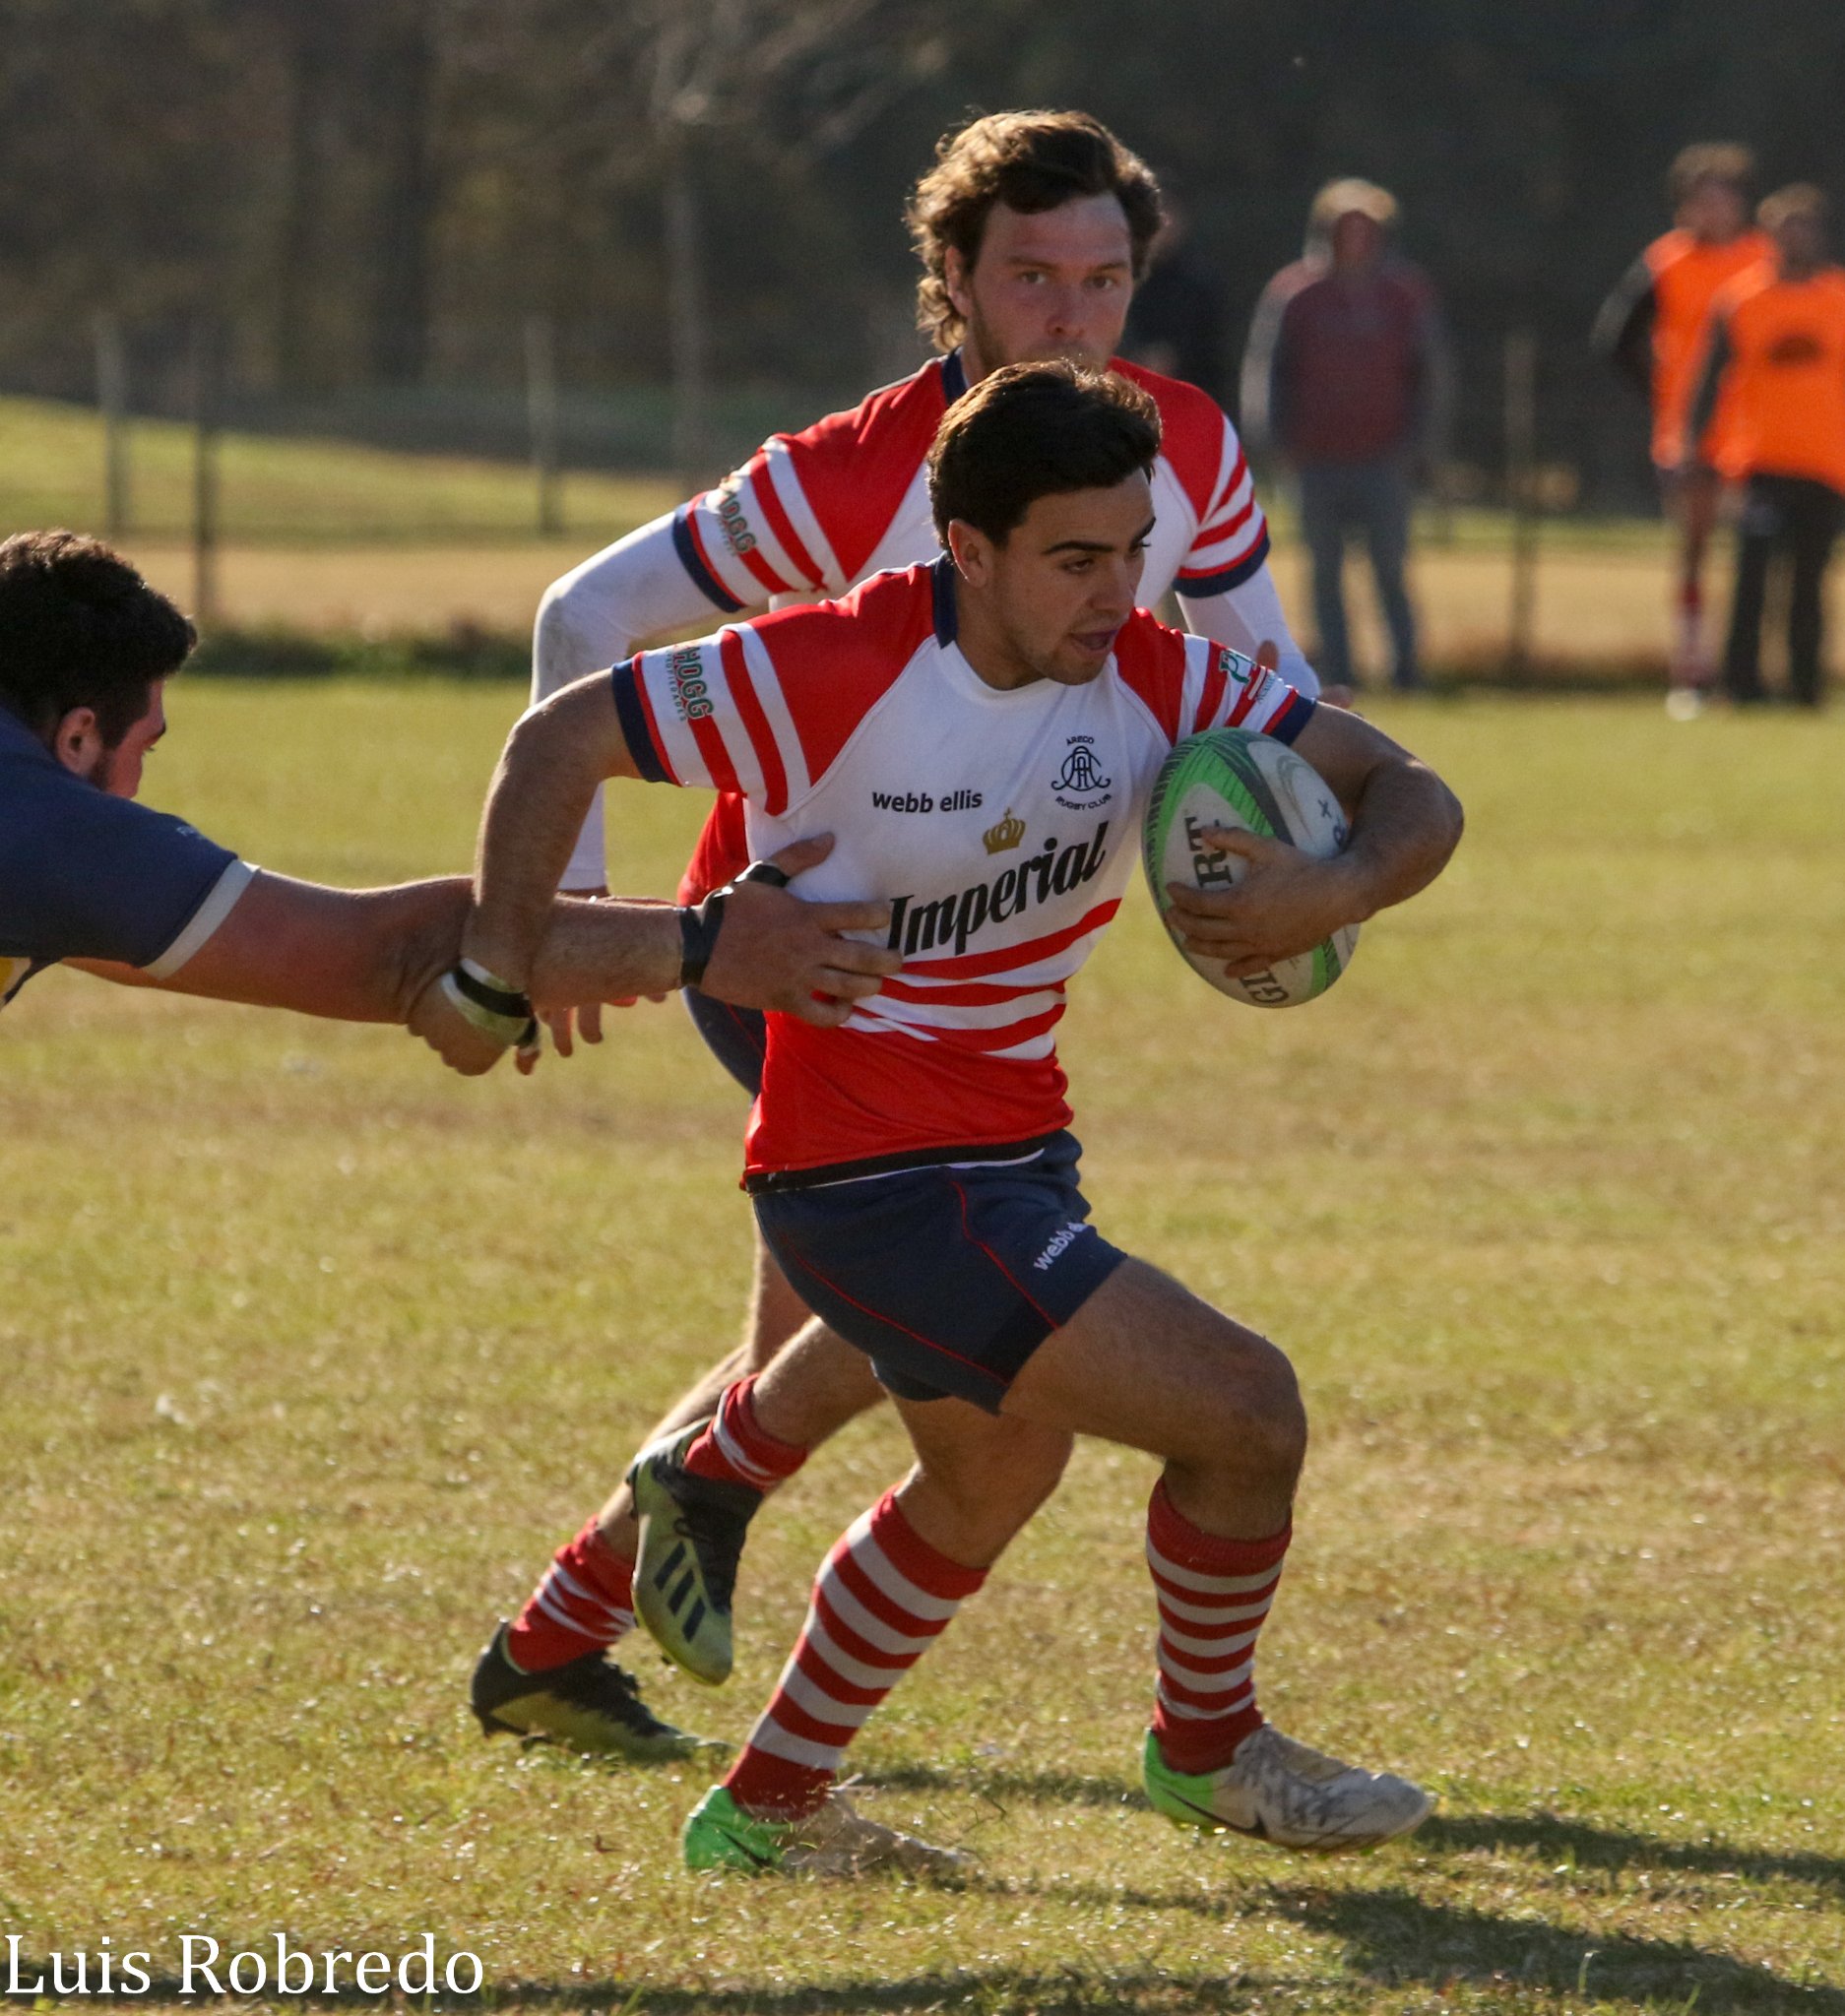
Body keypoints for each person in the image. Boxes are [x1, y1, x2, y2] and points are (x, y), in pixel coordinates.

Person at [427, 362, 1464, 1873]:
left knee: (988, 1481)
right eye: (1072, 559)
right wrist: (496, 968)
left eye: (1131, 552)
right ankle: (1210, 1752)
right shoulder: (826, 665)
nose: (1114, 595)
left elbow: (1406, 786)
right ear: (965, 549)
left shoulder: (1155, 672)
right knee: (1246, 1414)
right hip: (876, 1184)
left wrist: (1341, 882)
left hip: (1011, 1155)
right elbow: (554, 739)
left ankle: (768, 1813)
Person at [474, 108, 1325, 1761]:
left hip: (994, 956)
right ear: (950, 276)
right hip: (807, 962)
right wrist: (584, 910)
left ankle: (559, 1630)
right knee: (924, 1319)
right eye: (1029, 277)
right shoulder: (851, 472)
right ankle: (668, 1604)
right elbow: (580, 623)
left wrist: (1296, 853)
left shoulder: (1184, 444)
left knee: (838, 1337)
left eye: (1103, 278)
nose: (1072, 315)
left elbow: (1272, 687)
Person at [0, 527, 900, 1088]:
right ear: (79, 736)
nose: (138, 785)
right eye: (141, 746)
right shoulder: (51, 836)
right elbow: (384, 955)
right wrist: (705, 943)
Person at [1241, 178, 1450, 696]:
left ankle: (1407, 673)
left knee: (1390, 569)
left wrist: (1421, 448)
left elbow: (1433, 373)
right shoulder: (1295, 292)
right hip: (1315, 460)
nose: (1355, 239)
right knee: (1324, 575)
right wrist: (1270, 440)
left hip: (1385, 460)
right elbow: (1265, 369)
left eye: (1366, 229)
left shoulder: (1405, 294)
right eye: (1345, 228)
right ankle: (1337, 674)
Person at [1593, 144, 1772, 707]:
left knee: (1758, 554)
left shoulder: (1765, 257)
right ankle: (1691, 673)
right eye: (1703, 199)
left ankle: (1750, 673)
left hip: (1759, 432)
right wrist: (1667, 394)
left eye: (1725, 198)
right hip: (1690, 436)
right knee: (1694, 552)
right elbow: (1617, 341)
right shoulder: (1666, 260)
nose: (1714, 210)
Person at [1683, 185, 1845, 708]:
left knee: (1808, 583)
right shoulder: (1741, 299)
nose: (1796, 237)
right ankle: (1742, 685)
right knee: (1752, 575)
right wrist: (1696, 448)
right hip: (1760, 463)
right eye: (1786, 227)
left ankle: (1804, 688)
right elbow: (1710, 380)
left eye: (1805, 227)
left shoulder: (1838, 300)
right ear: (1769, 235)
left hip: (1825, 464)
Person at [1121, 195, 1229, 403]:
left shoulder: (1199, 280)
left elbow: (1211, 345)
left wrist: (1174, 357)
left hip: (1188, 393)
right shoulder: (1125, 275)